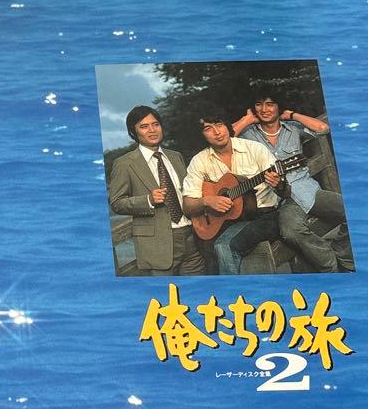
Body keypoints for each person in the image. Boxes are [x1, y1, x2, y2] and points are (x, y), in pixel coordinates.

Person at [232, 93, 353, 271]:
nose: (264, 109)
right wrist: (247, 120)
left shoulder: (293, 128)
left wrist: (292, 115)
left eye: (270, 104)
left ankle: (342, 255)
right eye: (259, 104)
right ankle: (330, 265)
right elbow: (222, 140)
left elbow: (323, 128)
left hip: (308, 191)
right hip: (280, 200)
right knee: (291, 231)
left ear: (278, 107)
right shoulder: (248, 134)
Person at [182, 110, 284, 275]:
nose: (217, 132)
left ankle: (232, 288)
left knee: (224, 246)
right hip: (229, 221)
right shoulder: (199, 161)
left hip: (264, 216)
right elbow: (188, 206)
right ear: (202, 135)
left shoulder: (254, 149)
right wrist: (207, 201)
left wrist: (279, 184)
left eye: (219, 125)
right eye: (208, 128)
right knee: (206, 247)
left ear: (227, 126)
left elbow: (285, 191)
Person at [107, 105, 206, 276]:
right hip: (157, 245)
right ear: (133, 132)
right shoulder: (124, 164)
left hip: (192, 237)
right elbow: (116, 203)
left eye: (155, 124)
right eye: (144, 126)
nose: (152, 130)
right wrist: (148, 200)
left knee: (197, 289)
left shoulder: (176, 156)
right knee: (163, 292)